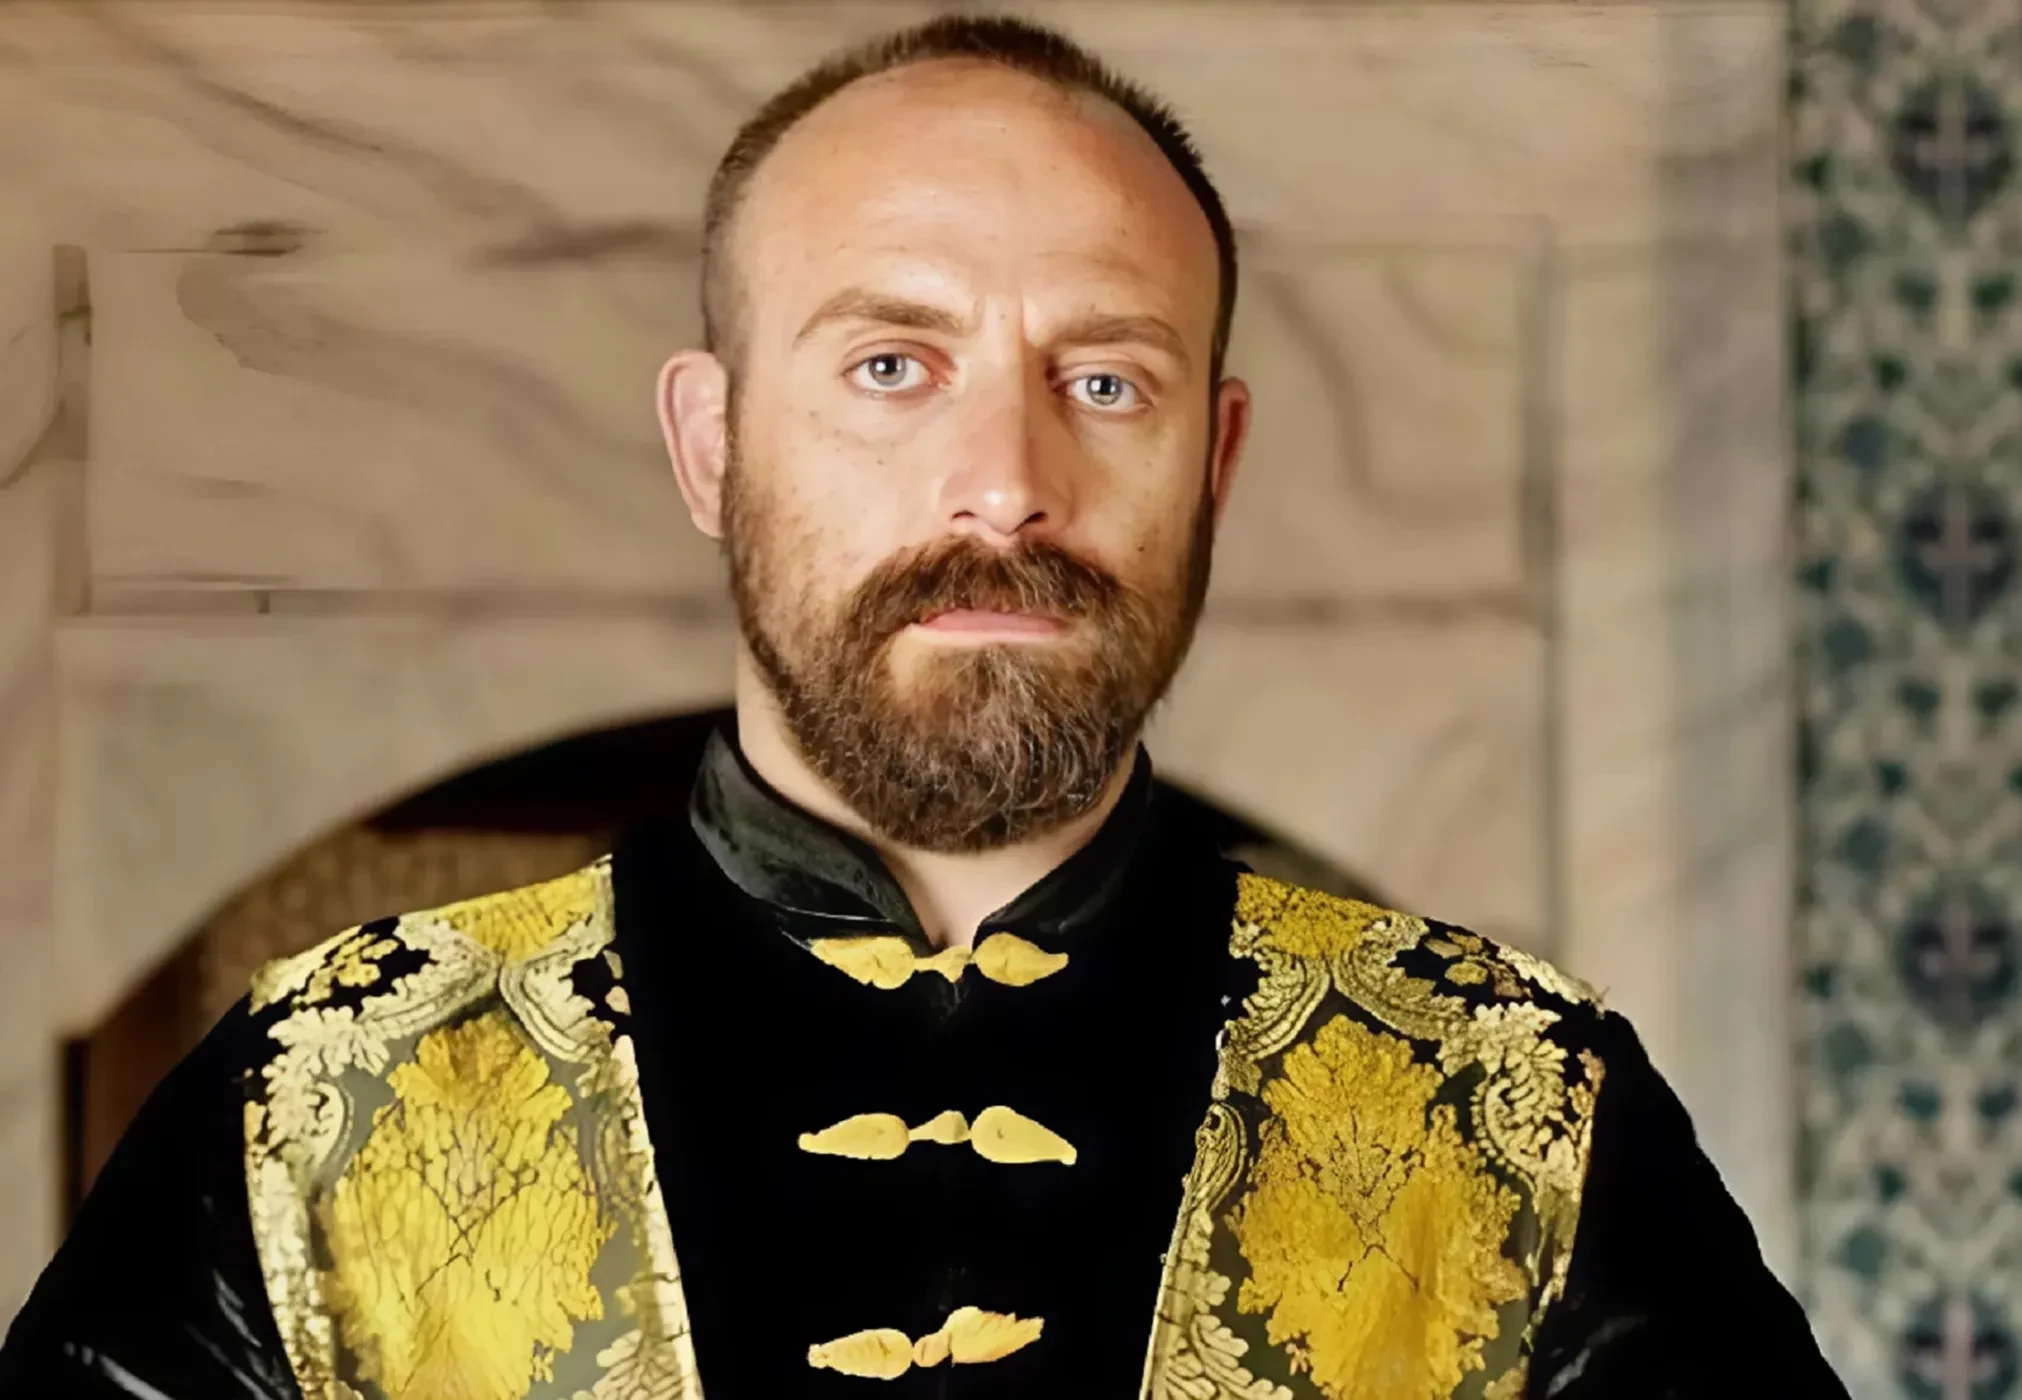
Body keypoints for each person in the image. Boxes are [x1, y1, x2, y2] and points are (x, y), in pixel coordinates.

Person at [0, 15, 1848, 1400]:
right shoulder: (316, 1101)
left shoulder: (1518, 1106)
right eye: (893, 365)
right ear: (712, 445)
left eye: (1104, 383)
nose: (1004, 486)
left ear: (1213, 462)